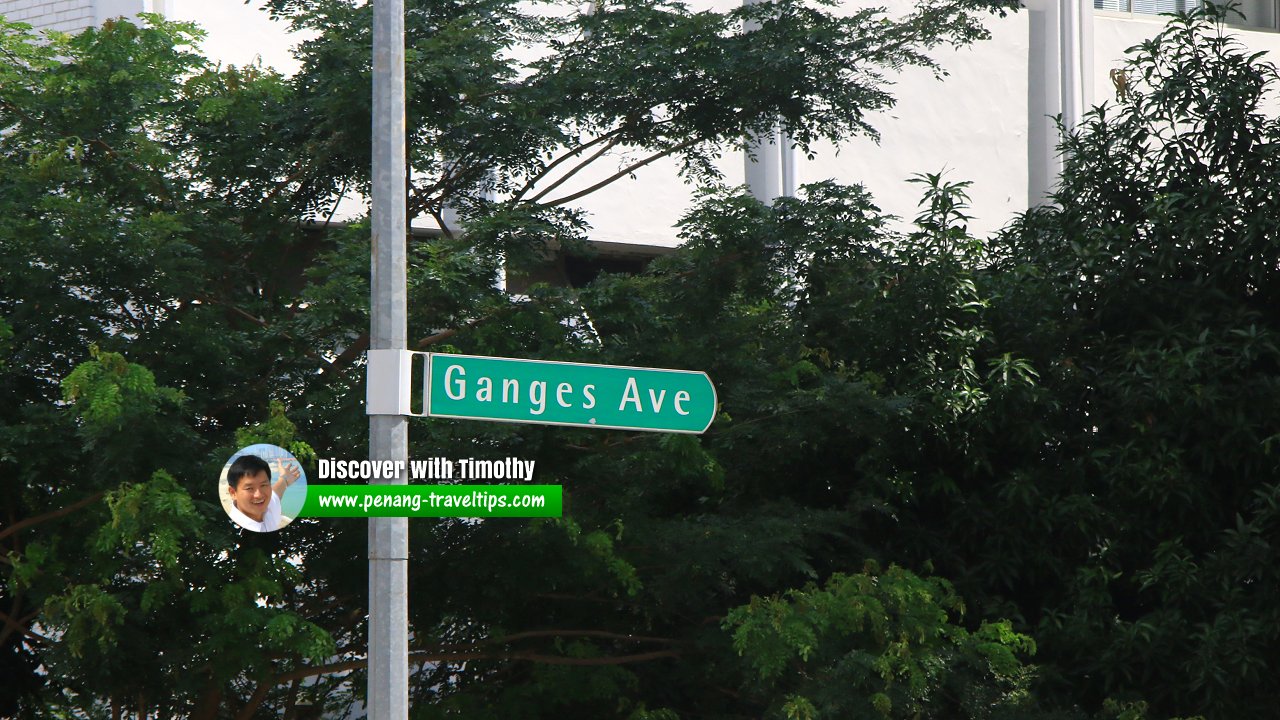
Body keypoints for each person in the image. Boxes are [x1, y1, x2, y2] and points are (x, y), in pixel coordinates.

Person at [225, 454, 301, 532]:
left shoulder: (268, 507)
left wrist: (284, 479)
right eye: (249, 488)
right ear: (233, 493)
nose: (259, 495)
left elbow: (276, 492)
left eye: (263, 485)